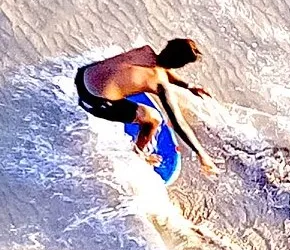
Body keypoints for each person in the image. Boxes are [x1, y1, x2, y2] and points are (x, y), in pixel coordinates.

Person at [75, 38, 221, 175]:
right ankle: (139, 154)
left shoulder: (145, 51)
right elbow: (178, 123)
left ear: (166, 47)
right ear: (180, 65)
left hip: (82, 75)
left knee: (120, 80)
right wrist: (202, 155)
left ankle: (111, 96)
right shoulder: (160, 85)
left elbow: (162, 68)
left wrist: (188, 86)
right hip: (92, 100)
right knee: (154, 118)